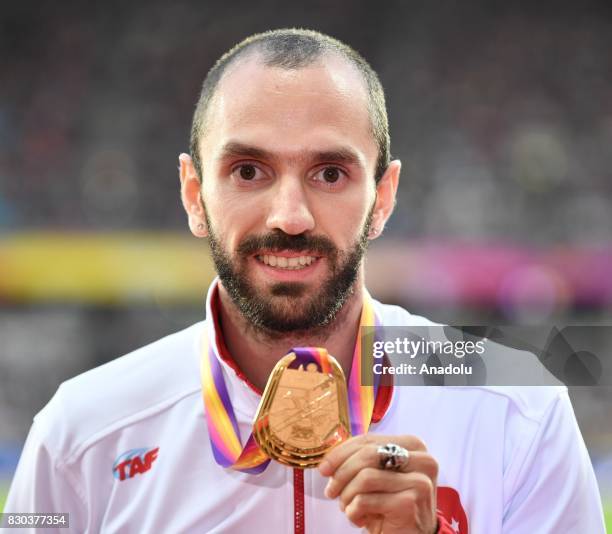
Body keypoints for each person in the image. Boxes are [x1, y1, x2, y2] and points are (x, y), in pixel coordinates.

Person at [4, 29, 605, 534]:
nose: (289, 216)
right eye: (248, 170)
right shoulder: (80, 433)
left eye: (329, 172)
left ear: (383, 198)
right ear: (194, 195)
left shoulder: (521, 405)